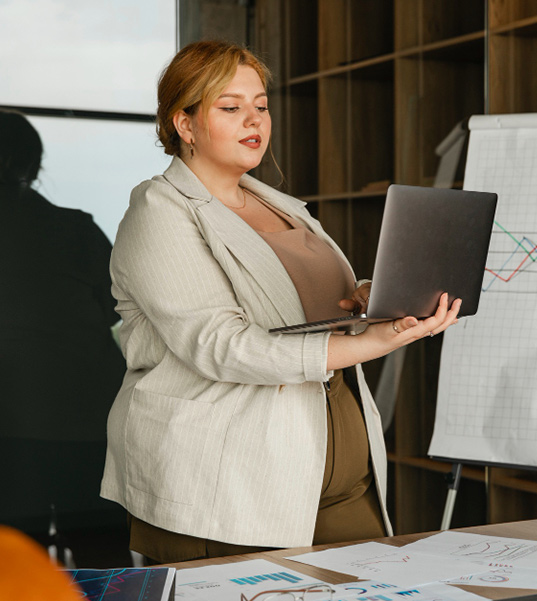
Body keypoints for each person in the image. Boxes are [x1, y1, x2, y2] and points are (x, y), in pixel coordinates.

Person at [100, 40, 461, 564]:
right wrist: (377, 343)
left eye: (261, 105)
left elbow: (306, 307)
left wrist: (368, 301)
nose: (255, 120)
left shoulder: (280, 203)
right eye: (230, 107)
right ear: (185, 123)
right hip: (229, 487)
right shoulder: (159, 210)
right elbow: (221, 347)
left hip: (340, 480)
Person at [0, 110, 127, 561]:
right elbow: (118, 308)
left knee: (15, 562)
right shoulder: (75, 228)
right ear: (32, 166)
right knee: (103, 555)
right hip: (87, 415)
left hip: (10, 427)